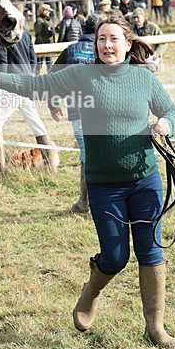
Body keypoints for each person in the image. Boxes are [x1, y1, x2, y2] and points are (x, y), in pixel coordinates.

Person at [0, 14, 175, 347]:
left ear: (128, 43)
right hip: (104, 185)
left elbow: (173, 111)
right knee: (115, 256)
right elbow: (36, 86)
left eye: (113, 39)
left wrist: (167, 123)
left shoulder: (145, 79)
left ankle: (155, 328)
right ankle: (92, 289)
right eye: (101, 39)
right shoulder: (83, 74)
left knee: (150, 251)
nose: (106, 45)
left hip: (145, 180)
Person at [0, 27, 58, 173]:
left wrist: (1, 82)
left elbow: (2, 59)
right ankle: (50, 162)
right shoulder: (26, 32)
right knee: (35, 123)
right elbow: (32, 57)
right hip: (27, 80)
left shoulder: (4, 32)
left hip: (12, 82)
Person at [49, 13, 99, 213]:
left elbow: (52, 78)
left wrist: (53, 104)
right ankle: (93, 200)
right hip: (103, 110)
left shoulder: (70, 50)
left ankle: (86, 201)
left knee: (87, 154)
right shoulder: (105, 49)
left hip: (77, 109)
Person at [130, 8, 167, 73]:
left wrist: (158, 53)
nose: (135, 20)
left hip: (152, 63)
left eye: (137, 17)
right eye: (134, 18)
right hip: (137, 64)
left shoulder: (153, 27)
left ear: (144, 16)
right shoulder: (131, 29)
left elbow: (163, 42)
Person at [33, 4, 55, 74]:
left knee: (50, 64)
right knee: (39, 65)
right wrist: (42, 46)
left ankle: (50, 78)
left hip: (49, 45)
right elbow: (38, 34)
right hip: (41, 46)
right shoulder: (39, 21)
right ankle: (37, 77)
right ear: (43, 11)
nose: (49, 12)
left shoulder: (48, 20)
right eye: (47, 10)